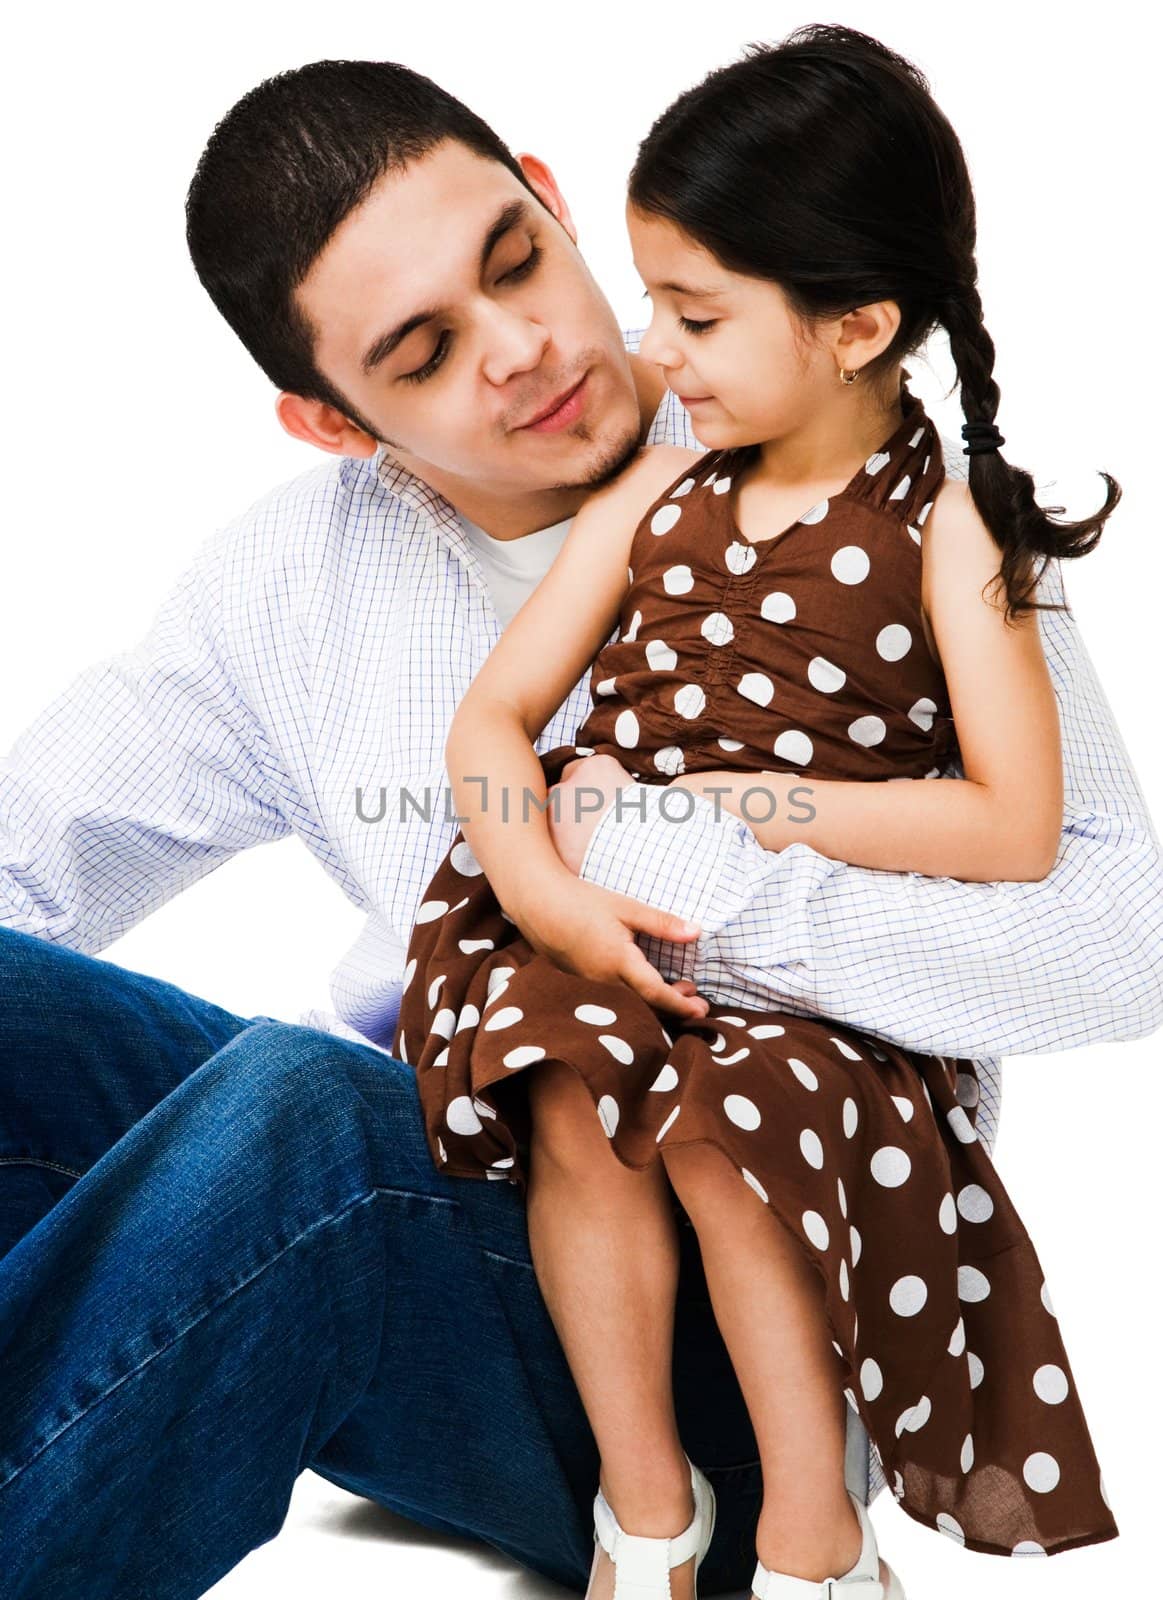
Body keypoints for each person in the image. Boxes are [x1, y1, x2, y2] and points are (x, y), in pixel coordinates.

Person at [0, 38, 1156, 1600]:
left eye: (516, 261)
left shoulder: (848, 454)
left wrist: (682, 869)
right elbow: (30, 853)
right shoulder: (285, 584)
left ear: (550, 198)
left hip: (744, 1319)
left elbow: (1121, 928)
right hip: (469, 1176)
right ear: (335, 424)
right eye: (422, 353)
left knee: (301, 1113)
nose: (526, 348)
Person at [390, 27, 1120, 1600]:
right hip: (601, 921)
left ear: (858, 324)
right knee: (578, 1099)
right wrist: (540, 883)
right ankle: (645, 1516)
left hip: (805, 986)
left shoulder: (948, 529)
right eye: (655, 300)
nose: (657, 352)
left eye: (700, 315)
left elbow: (1014, 827)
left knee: (732, 1131)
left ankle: (814, 1533)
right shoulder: (657, 493)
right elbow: (494, 717)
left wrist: (755, 805)